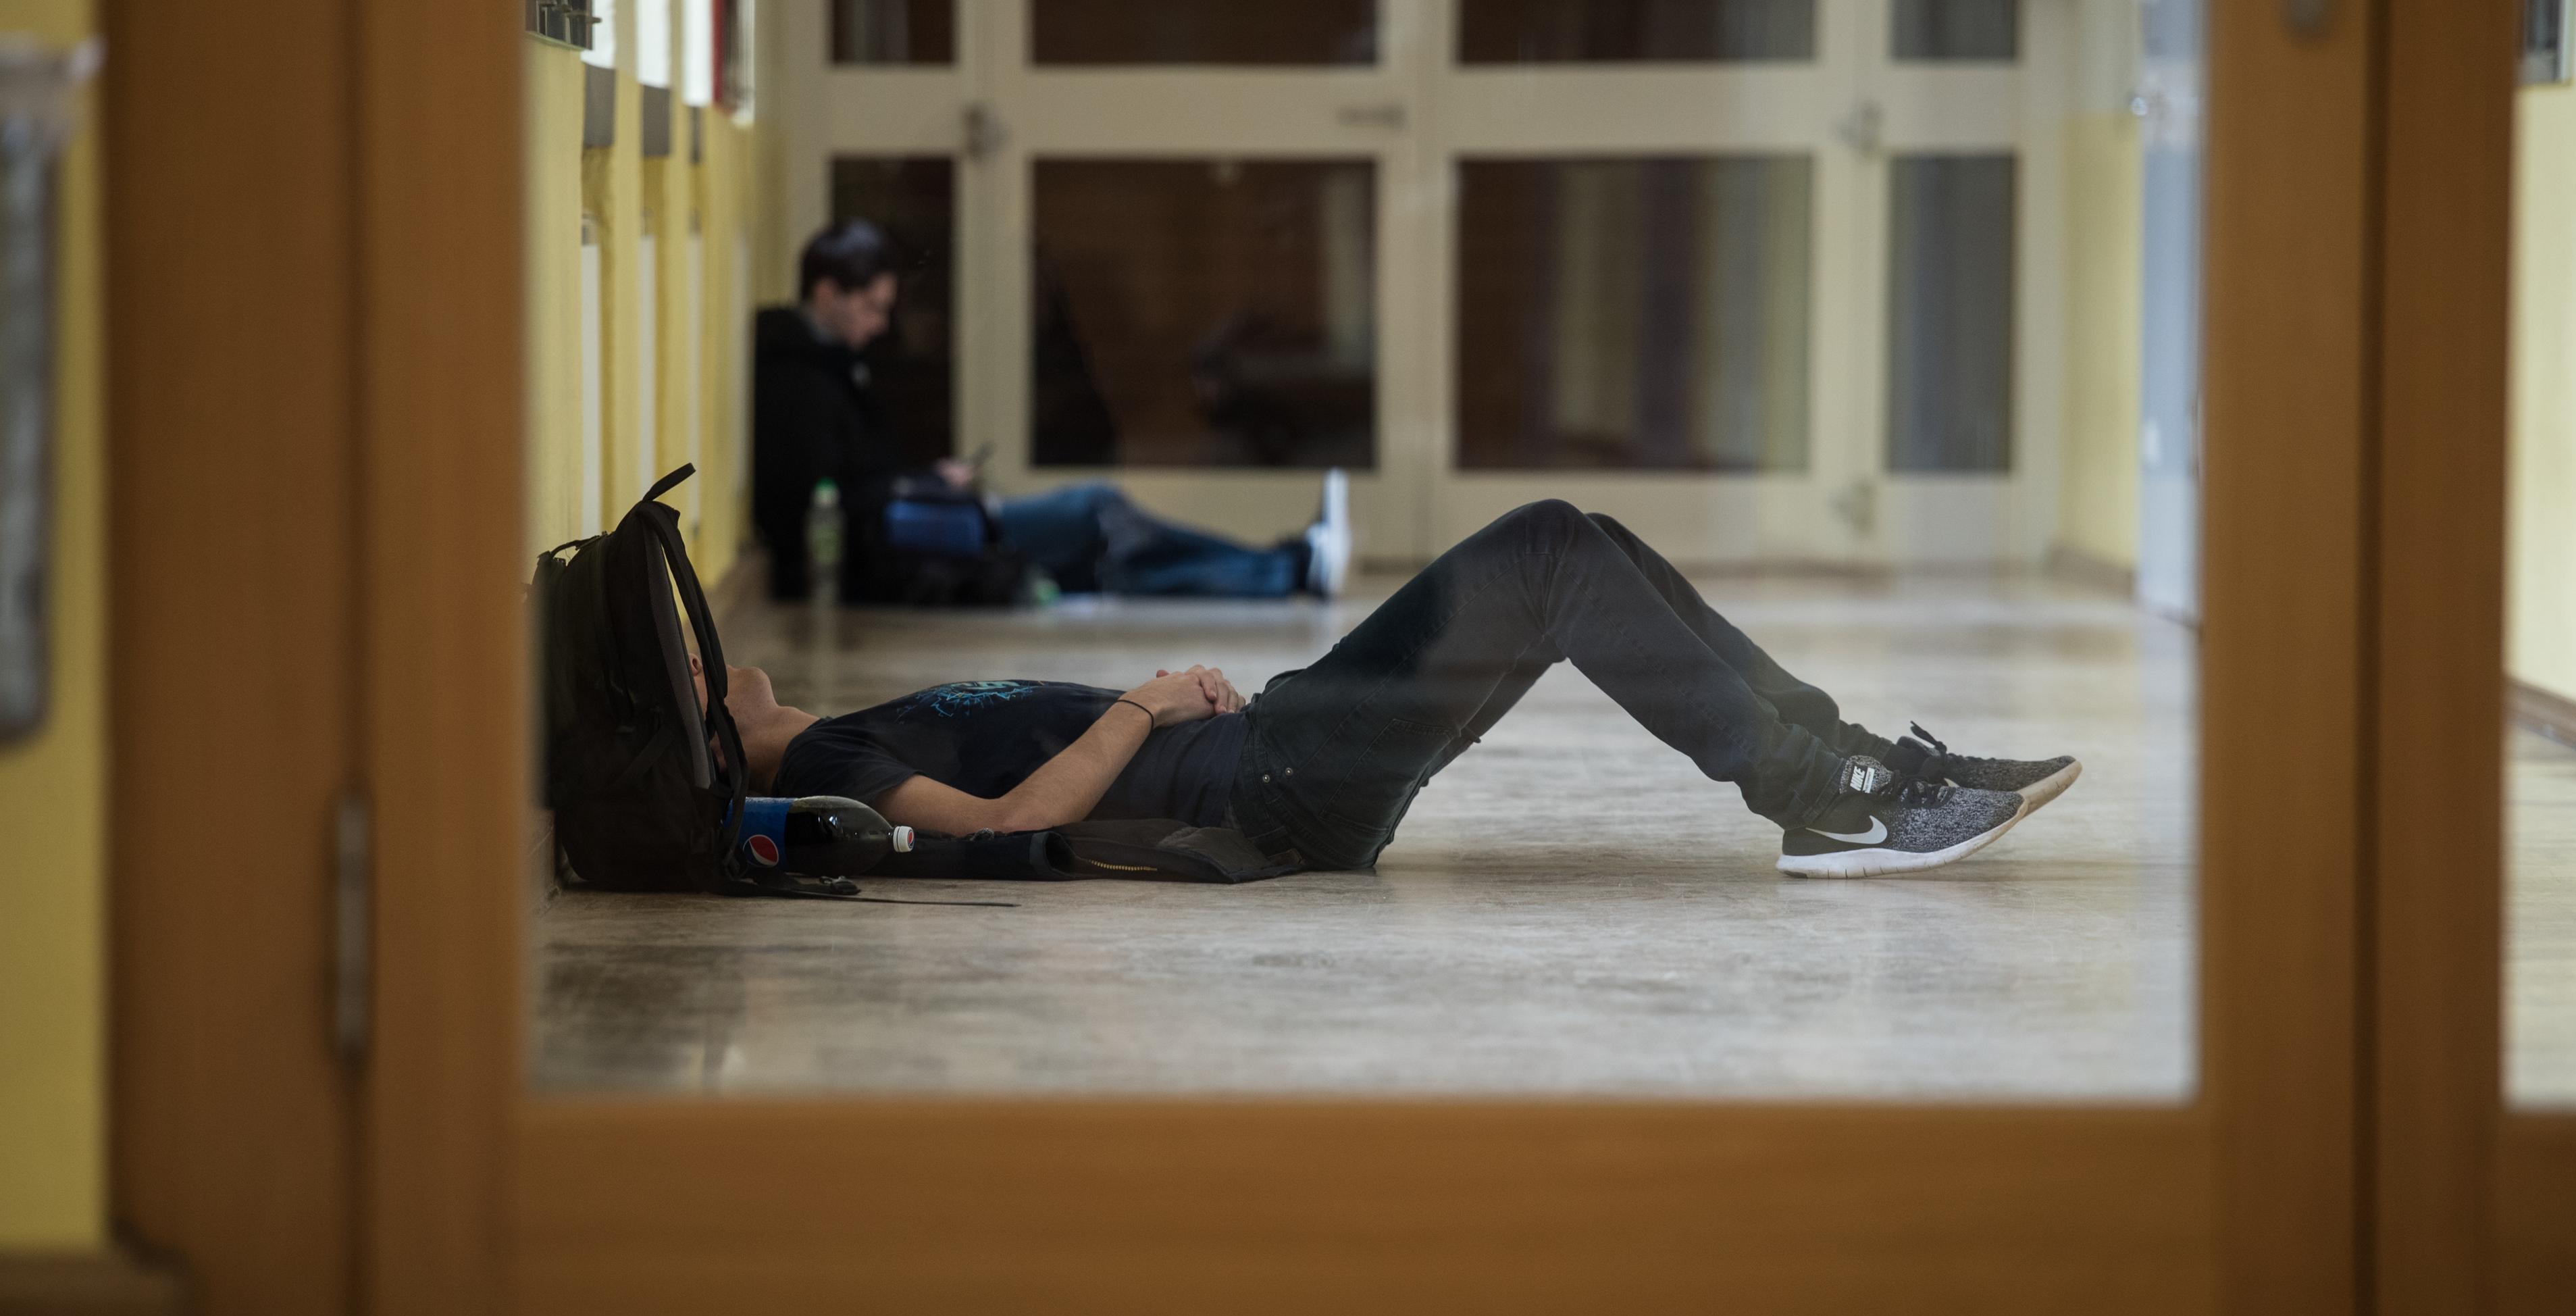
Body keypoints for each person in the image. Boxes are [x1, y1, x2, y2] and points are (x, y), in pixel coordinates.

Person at [711, 500, 2081, 880]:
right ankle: (1821, 800)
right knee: (1544, 549)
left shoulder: (837, 728)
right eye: (695, 673)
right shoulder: (828, 770)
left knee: (1581, 539)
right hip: (1270, 782)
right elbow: (998, 835)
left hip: (1279, 747)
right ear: (708, 733)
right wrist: (1138, 710)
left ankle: (1848, 767)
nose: (718, 655)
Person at [752, 220, 1351, 603]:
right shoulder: (801, 383)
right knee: (1098, 512)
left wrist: (930, 480)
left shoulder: (827, 366)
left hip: (921, 522)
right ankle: (1293, 564)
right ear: (827, 293)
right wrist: (928, 483)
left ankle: (1293, 564)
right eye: (870, 307)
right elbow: (829, 496)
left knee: (1115, 556)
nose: (880, 325)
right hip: (914, 537)